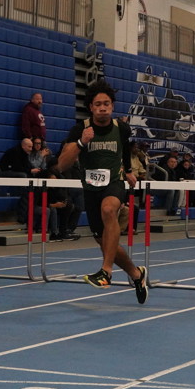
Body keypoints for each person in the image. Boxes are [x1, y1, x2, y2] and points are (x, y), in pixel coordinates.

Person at [54, 79, 147, 303]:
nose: (102, 108)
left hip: (114, 182)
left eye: (106, 104)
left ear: (112, 106)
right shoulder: (80, 129)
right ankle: (136, 274)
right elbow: (62, 165)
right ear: (91, 107)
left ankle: (106, 271)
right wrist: (80, 143)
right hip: (91, 188)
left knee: (109, 210)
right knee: (105, 242)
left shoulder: (121, 128)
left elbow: (125, 148)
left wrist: (127, 171)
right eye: (98, 104)